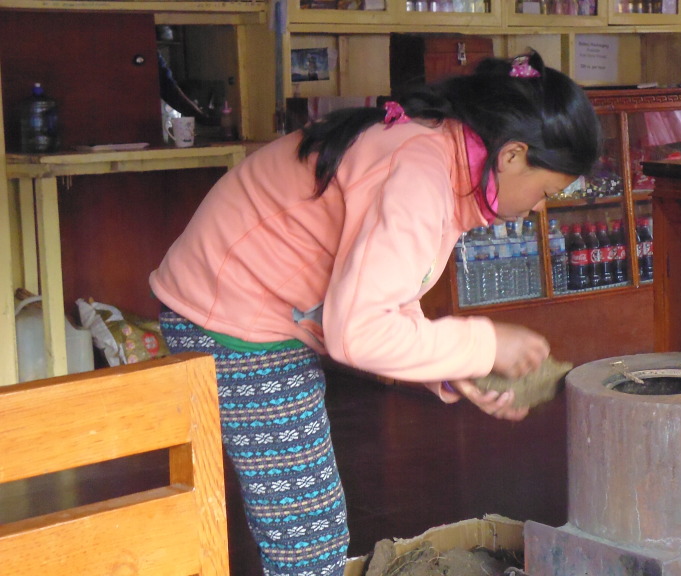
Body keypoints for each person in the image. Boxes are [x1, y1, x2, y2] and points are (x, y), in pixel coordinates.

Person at [149, 50, 600, 576]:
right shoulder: (422, 174)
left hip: (258, 309)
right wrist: (485, 344)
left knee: (308, 522)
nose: (541, 206)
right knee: (309, 537)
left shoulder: (446, 159)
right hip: (228, 317)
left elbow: (383, 294)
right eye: (547, 191)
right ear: (513, 156)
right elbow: (359, 333)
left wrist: (455, 370)